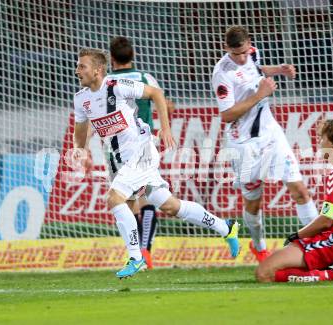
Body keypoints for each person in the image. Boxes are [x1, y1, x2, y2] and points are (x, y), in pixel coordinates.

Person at [73, 48, 239, 279]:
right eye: (78, 66)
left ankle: (136, 257)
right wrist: (80, 152)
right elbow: (80, 130)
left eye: (82, 66)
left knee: (115, 198)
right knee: (171, 206)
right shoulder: (81, 99)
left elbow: (156, 94)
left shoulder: (116, 86)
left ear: (98, 70)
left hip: (142, 152)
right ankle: (226, 227)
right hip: (120, 159)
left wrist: (166, 128)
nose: (77, 70)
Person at [211, 26, 318, 262]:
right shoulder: (222, 74)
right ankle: (259, 246)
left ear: (250, 44)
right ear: (226, 48)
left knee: (299, 189)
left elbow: (257, 70)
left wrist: (279, 70)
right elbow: (227, 115)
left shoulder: (253, 54)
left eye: (244, 52)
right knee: (254, 202)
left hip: (271, 135)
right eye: (236, 53)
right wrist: (260, 95)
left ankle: (319, 246)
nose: (241, 58)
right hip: (243, 143)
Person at [255, 119, 333, 282]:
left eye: (322, 138)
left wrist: (296, 235)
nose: (319, 143)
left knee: (264, 273)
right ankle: (332, 269)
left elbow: (326, 220)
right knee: (283, 266)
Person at [106, 36, 175, 269]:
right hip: (144, 145)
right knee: (146, 200)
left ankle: (136, 253)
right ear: (132, 55)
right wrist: (165, 123)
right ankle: (145, 252)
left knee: (127, 202)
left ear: (111, 59)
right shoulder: (145, 78)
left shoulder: (105, 82)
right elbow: (163, 100)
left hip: (116, 149)